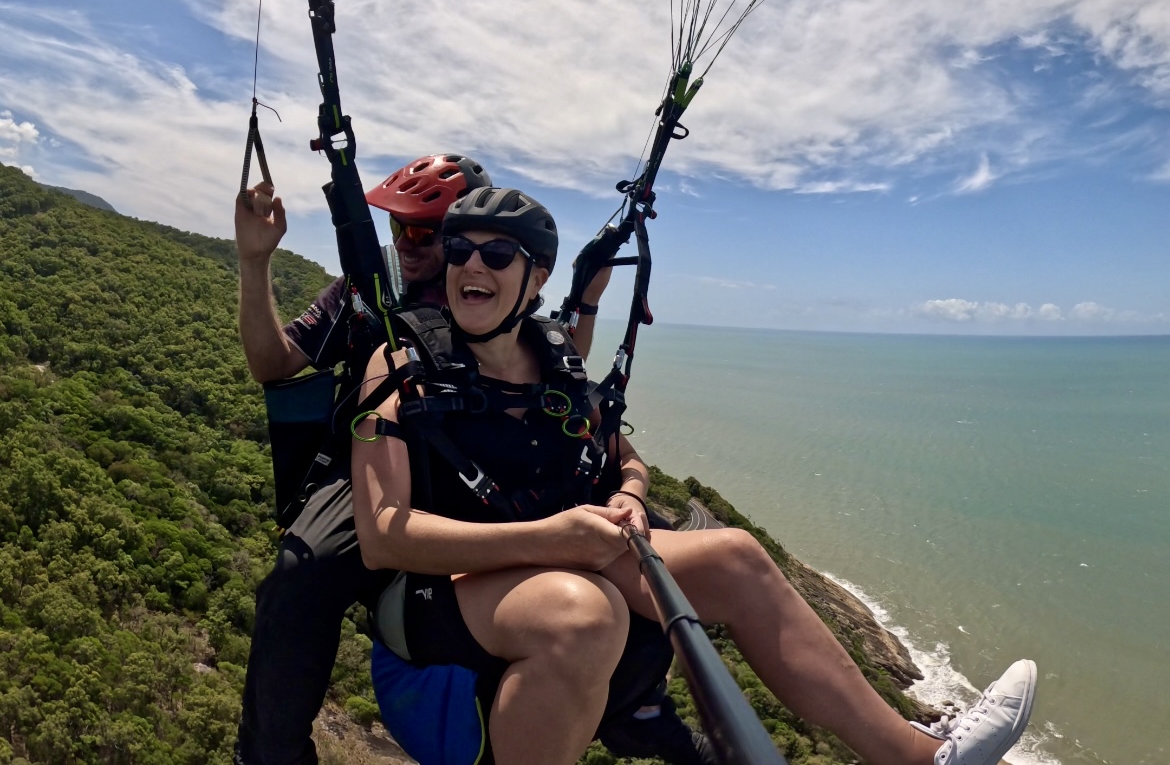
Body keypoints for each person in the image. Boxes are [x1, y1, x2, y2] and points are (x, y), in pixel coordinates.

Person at [351, 186, 1038, 765]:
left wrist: (630, 495)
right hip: (434, 591)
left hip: (555, 554)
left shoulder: (553, 360)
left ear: (535, 279)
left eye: (497, 253)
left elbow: (625, 456)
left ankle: (918, 755)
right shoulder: (403, 361)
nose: (472, 264)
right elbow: (385, 535)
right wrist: (553, 537)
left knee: (736, 555)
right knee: (583, 612)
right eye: (459, 250)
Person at [233, 155, 689, 765]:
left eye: (425, 232)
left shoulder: (485, 292)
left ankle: (637, 705)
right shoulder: (369, 290)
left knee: (637, 534)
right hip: (381, 461)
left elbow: (556, 372)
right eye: (400, 229)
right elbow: (275, 363)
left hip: (473, 456)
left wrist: (590, 300)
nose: (410, 246)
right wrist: (255, 260)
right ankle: (271, 753)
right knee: (299, 575)